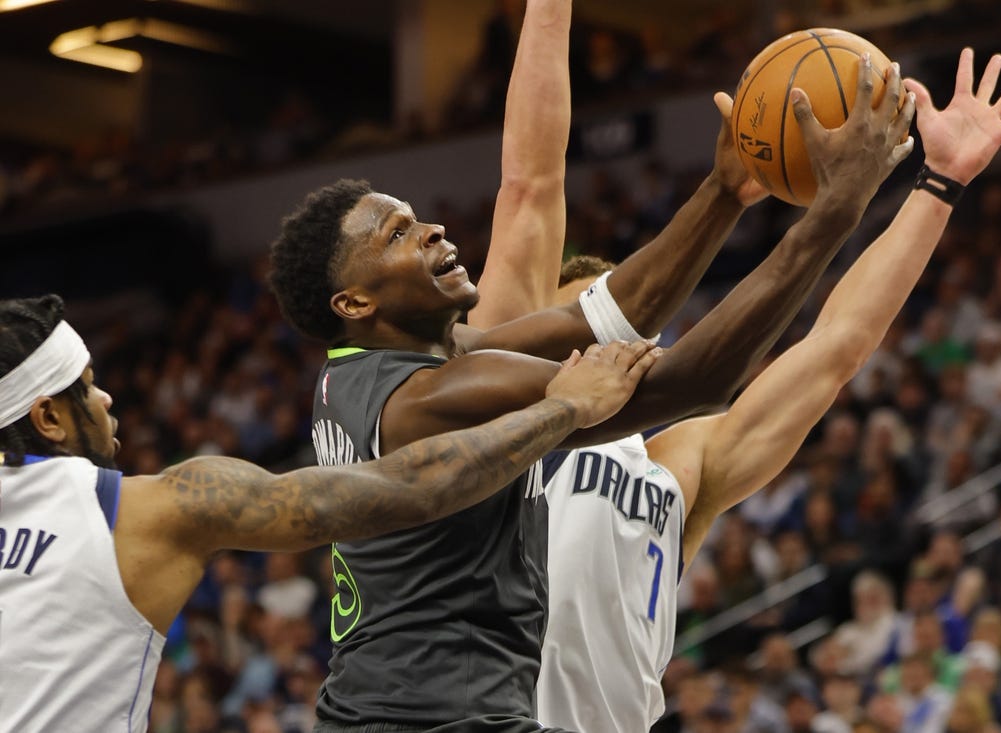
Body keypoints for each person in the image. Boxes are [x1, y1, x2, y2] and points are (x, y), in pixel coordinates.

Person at [267, 1, 914, 728]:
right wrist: (834, 212)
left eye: (416, 216)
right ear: (353, 301)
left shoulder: (397, 361)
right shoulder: (423, 398)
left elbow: (604, 313)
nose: (433, 230)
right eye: (398, 234)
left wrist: (723, 193)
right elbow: (691, 381)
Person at [469, 12, 1001, 726]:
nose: (619, 340)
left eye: (635, 326)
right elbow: (530, 184)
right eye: (593, 324)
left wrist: (939, 185)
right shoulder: (494, 415)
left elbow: (835, 347)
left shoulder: (677, 462)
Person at [0, 293, 656, 733]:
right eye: (86, 387)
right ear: (48, 416)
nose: (107, 396)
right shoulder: (142, 510)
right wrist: (565, 407)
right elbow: (412, 488)